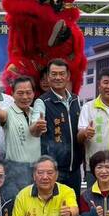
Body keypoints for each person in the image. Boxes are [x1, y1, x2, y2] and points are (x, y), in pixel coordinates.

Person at [0, 76, 46, 198]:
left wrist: (40, 126)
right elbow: (2, 115)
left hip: (36, 169)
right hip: (14, 169)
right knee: (16, 205)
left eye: (28, 93)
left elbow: (37, 132)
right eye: (20, 93)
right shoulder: (8, 111)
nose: (25, 97)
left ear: (34, 93)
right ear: (13, 94)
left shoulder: (36, 113)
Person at [37, 59, 84, 194]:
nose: (58, 77)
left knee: (73, 209)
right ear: (48, 77)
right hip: (53, 170)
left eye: (61, 74)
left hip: (75, 169)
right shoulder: (42, 102)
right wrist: (36, 126)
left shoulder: (75, 100)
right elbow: (34, 126)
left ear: (68, 76)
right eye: (54, 74)